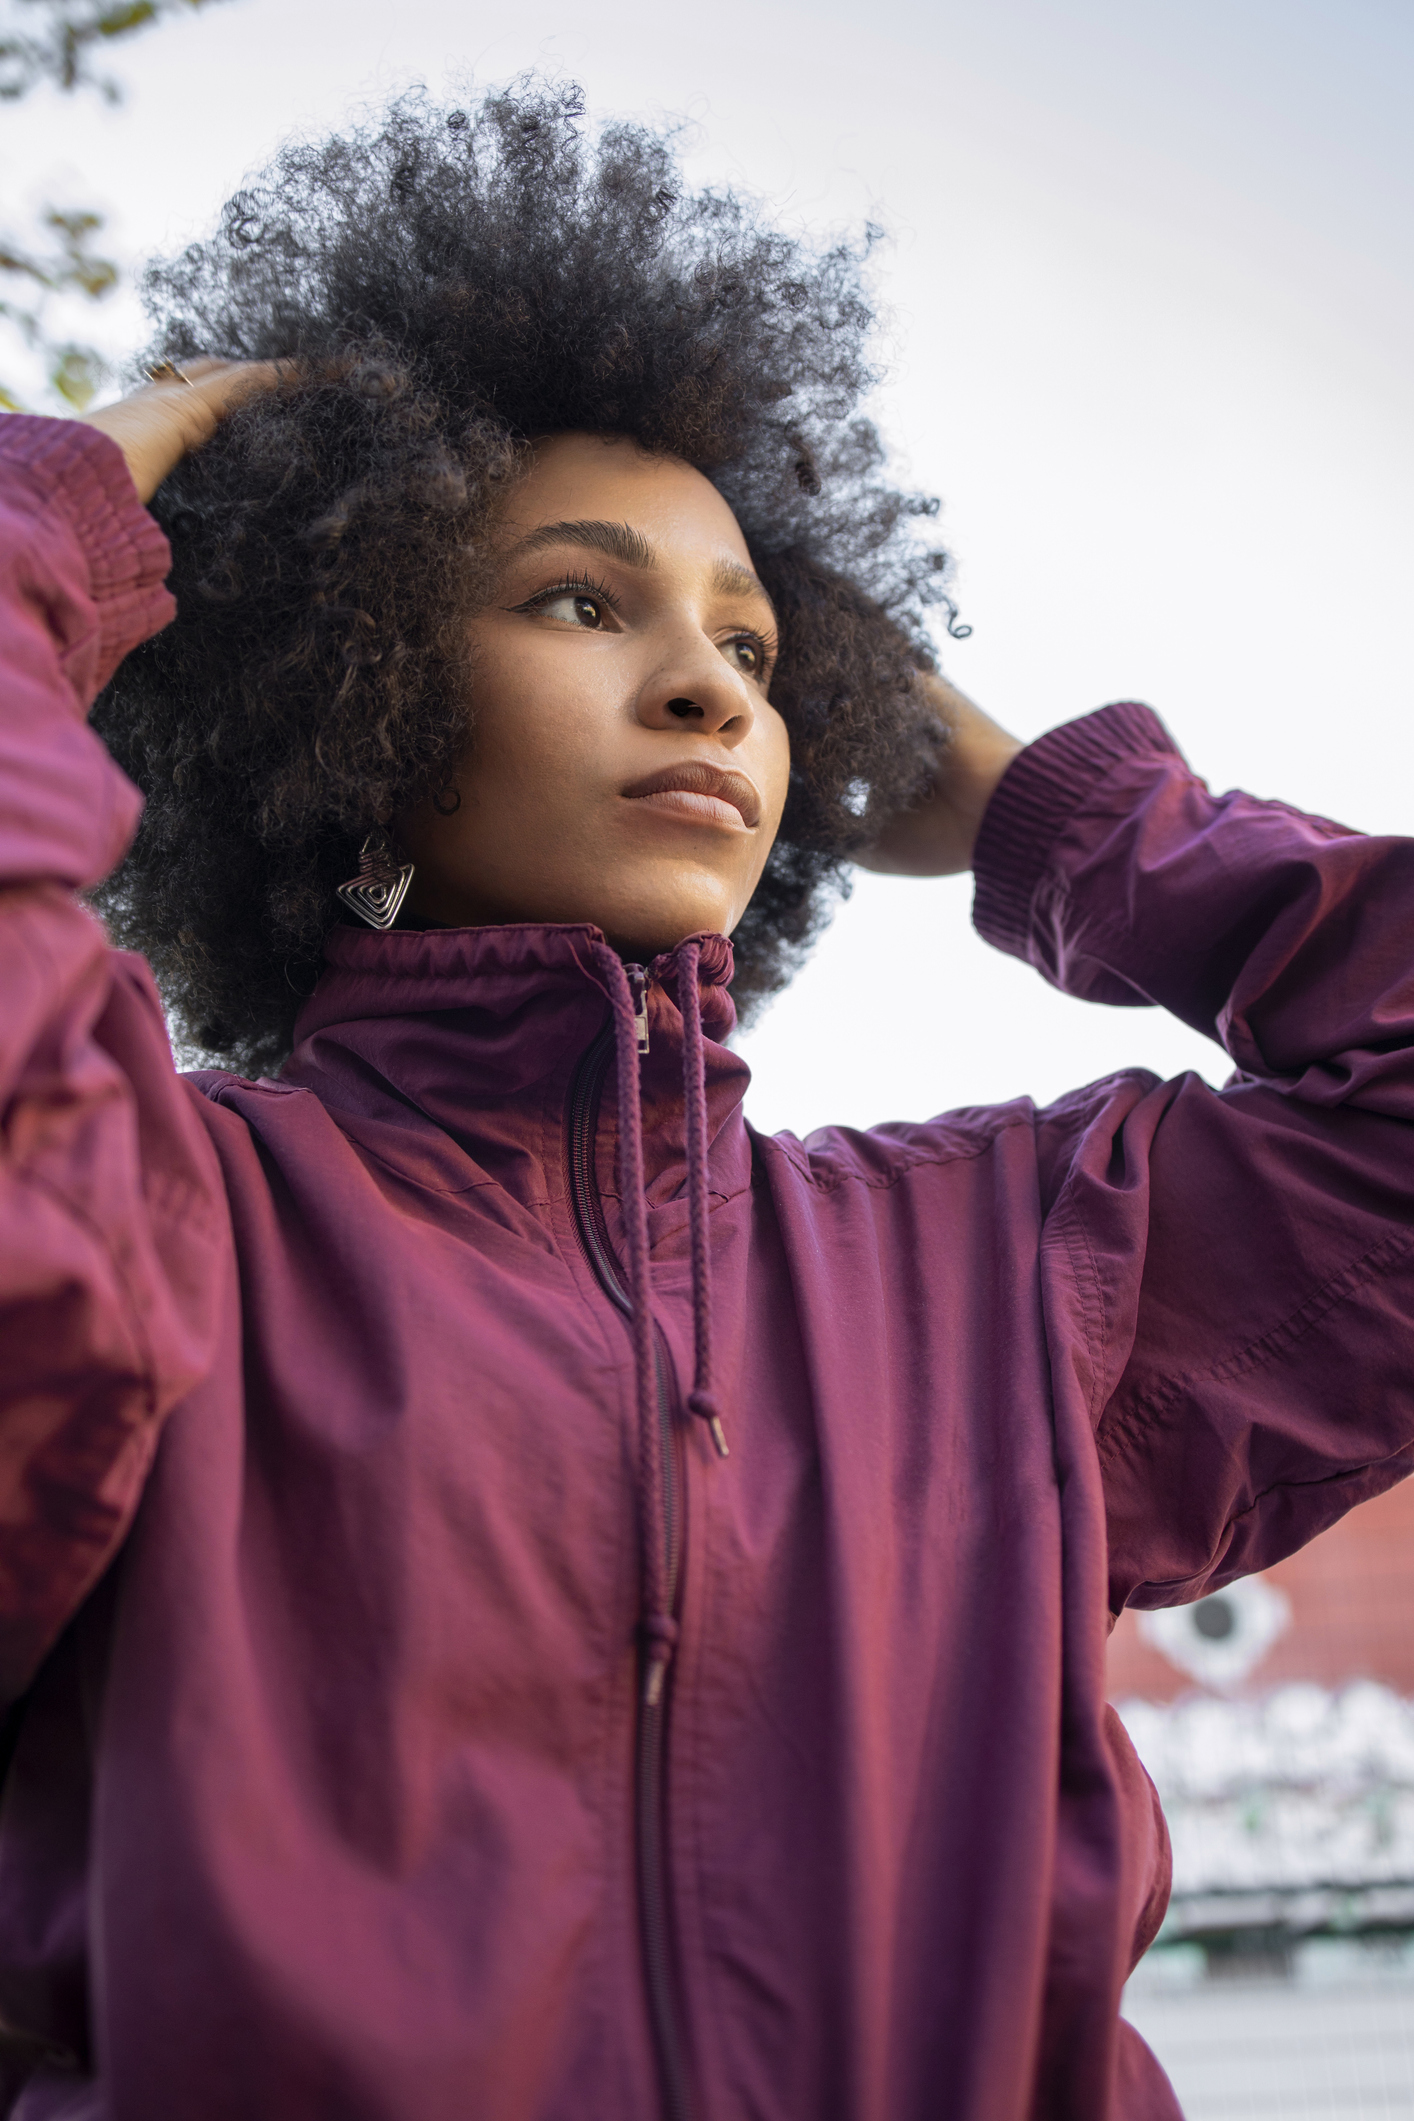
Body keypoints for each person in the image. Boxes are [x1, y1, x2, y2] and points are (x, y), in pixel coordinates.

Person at [1, 79, 1411, 2121]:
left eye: (756, 646)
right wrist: (55, 527)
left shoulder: (1013, 1264)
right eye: (582, 601)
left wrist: (1056, 814)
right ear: (356, 689)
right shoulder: (162, 1215)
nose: (710, 690)